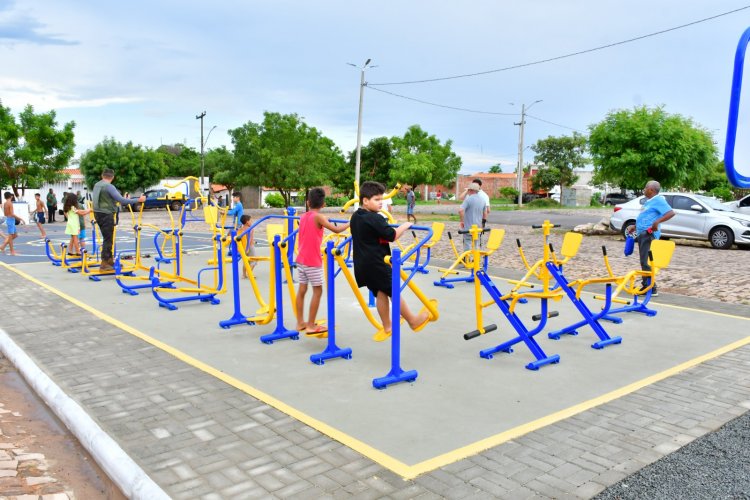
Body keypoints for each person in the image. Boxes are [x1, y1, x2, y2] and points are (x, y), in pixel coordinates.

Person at [350, 181, 429, 339]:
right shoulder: (374, 218)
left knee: (380, 292)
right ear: (365, 200)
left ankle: (387, 326)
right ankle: (412, 320)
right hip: (378, 262)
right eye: (377, 200)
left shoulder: (356, 216)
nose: (381, 203)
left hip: (362, 264)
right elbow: (392, 235)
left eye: (382, 199)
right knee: (393, 291)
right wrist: (405, 226)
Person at [295, 187, 350, 336]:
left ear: (308, 202)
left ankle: (300, 322)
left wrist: (325, 220)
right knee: (317, 291)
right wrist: (350, 223)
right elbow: (337, 230)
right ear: (324, 204)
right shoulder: (319, 217)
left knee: (302, 290)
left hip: (301, 259)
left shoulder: (303, 216)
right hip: (312, 261)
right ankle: (311, 325)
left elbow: (317, 223)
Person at [626, 180, 674, 297]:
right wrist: (635, 226)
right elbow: (645, 217)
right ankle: (647, 285)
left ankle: (651, 287)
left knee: (646, 261)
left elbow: (671, 213)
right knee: (644, 261)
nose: (644, 189)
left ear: (651, 190)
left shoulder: (658, 200)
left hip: (649, 234)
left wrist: (657, 222)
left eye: (645, 187)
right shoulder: (649, 202)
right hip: (642, 233)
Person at [92, 169, 146, 272]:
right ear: (112, 177)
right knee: (108, 239)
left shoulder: (97, 185)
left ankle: (109, 260)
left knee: (107, 238)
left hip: (98, 213)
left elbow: (109, 198)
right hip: (106, 214)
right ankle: (104, 264)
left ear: (102, 175)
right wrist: (138, 200)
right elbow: (121, 200)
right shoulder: (109, 186)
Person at [459, 183, 486, 252]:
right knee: (476, 244)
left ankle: (467, 260)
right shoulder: (483, 200)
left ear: (470, 190)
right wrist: (483, 224)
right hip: (478, 227)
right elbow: (485, 213)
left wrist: (462, 221)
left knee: (467, 243)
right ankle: (475, 260)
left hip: (468, 226)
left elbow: (461, 210)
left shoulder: (468, 199)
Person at [238, 214, 256, 278]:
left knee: (246, 261)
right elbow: (249, 239)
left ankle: (244, 275)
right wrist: (248, 248)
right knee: (254, 261)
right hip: (250, 246)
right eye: (251, 221)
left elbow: (244, 238)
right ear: (247, 222)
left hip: (243, 247)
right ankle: (249, 273)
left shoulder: (241, 229)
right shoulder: (250, 229)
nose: (251, 222)